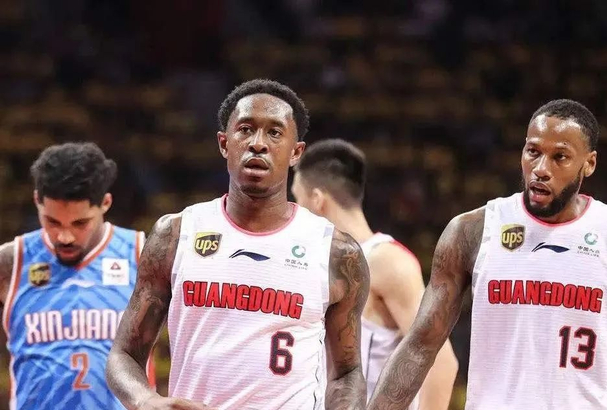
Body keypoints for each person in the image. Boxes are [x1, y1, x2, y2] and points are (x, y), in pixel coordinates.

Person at [367, 99, 607, 410]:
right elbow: (420, 345)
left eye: (560, 157)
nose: (541, 169)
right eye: (533, 152)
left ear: (589, 163)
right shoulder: (472, 231)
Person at [106, 79, 370, 410]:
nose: (258, 144)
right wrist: (144, 400)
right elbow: (124, 354)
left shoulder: (336, 252)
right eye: (245, 130)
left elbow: (348, 372)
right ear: (224, 143)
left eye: (275, 133)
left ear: (296, 152)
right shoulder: (175, 234)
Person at [291, 139, 458, 410]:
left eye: (298, 200)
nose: (295, 212)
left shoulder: (386, 262)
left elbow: (441, 363)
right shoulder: (314, 264)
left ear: (318, 200)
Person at [0, 142, 152, 409]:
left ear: (105, 203)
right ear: (37, 201)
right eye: (52, 221)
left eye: (80, 223)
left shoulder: (142, 254)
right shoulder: (12, 262)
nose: (65, 237)